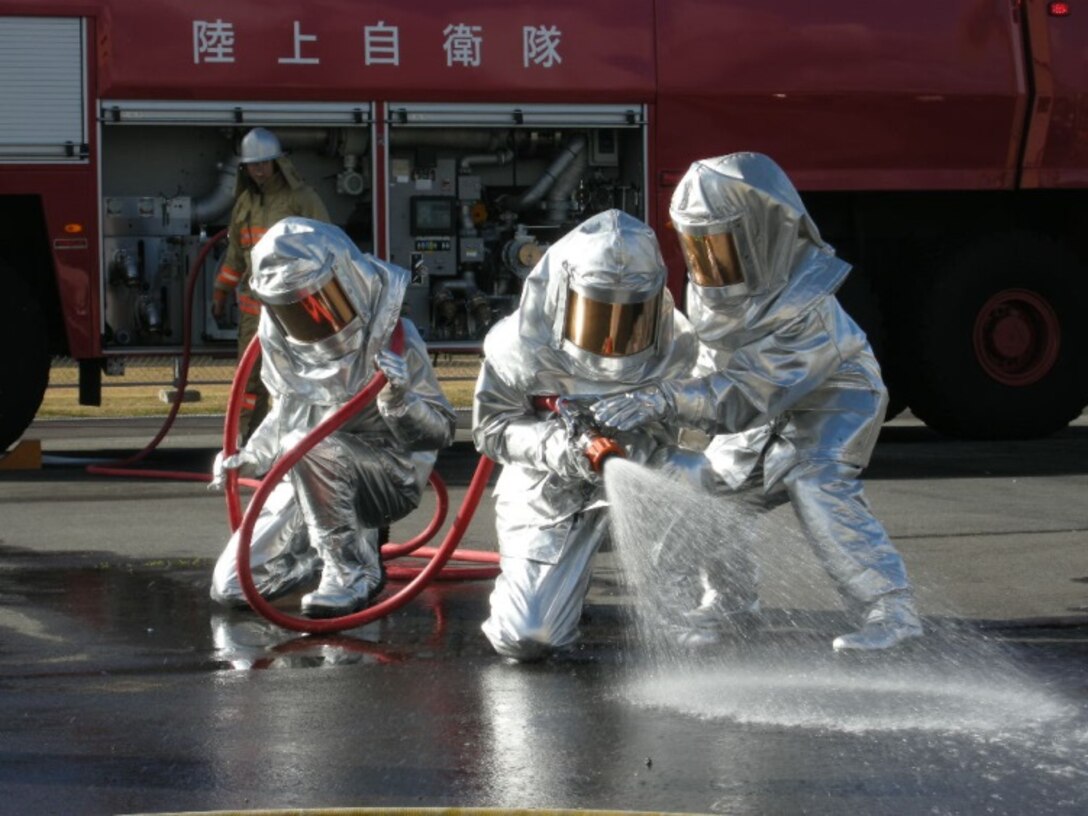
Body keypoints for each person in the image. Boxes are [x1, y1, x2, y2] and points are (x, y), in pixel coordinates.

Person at [591, 152, 924, 652]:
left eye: (719, 244)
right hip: (759, 400)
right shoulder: (713, 289)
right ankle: (731, 605)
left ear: (760, 232)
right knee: (712, 490)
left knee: (815, 483)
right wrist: (670, 415)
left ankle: (890, 613)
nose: (707, 259)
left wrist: (665, 399)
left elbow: (749, 391)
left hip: (834, 394)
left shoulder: (804, 302)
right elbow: (713, 366)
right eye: (697, 245)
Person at [472, 209, 700, 661]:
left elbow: (706, 426)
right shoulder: (517, 346)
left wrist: (657, 410)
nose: (613, 335)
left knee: (716, 478)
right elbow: (492, 430)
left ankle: (694, 604)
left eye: (630, 316)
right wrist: (558, 447)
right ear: (562, 295)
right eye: (598, 313)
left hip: (642, 477)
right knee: (528, 638)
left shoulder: (678, 343)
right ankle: (553, 591)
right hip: (548, 491)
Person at [209, 217, 457, 618]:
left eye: (318, 303)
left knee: (309, 448)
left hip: (385, 473)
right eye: (295, 311)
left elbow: (442, 431)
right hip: (309, 469)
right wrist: (250, 457)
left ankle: (355, 569)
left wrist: (397, 400)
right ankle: (324, 554)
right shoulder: (283, 346)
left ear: (346, 280)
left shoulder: (396, 337)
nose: (311, 322)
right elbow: (286, 412)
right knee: (232, 587)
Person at [212, 127, 331, 441]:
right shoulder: (245, 203)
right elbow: (237, 254)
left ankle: (296, 441)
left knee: (292, 376)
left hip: (295, 309)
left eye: (265, 163)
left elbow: (326, 245)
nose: (260, 170)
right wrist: (221, 290)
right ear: (245, 168)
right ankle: (245, 441)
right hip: (255, 311)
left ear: (278, 163)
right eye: (254, 164)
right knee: (249, 379)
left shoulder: (301, 198)